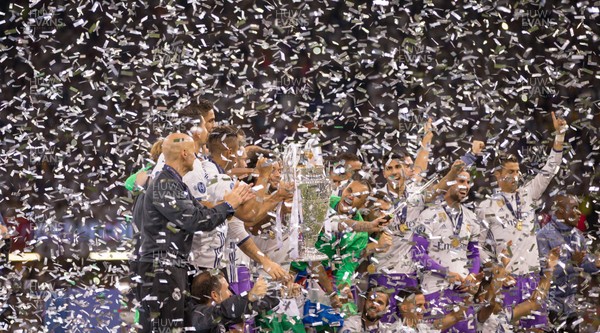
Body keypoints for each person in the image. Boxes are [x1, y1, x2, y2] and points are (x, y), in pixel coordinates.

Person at [137, 133, 253, 333]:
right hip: (161, 268)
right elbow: (195, 220)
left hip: (171, 266)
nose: (197, 158)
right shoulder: (164, 184)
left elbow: (200, 213)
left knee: (174, 326)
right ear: (184, 153)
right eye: (195, 153)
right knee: (165, 328)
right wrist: (228, 205)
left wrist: (230, 204)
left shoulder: (175, 183)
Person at [476, 112, 567, 330]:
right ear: (498, 175)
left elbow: (549, 171)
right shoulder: (485, 208)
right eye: (510, 172)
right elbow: (478, 246)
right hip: (507, 282)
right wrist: (494, 268)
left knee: (536, 329)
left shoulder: (528, 194)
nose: (516, 176)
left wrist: (560, 137)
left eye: (518, 171)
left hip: (532, 277)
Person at [412, 170, 480, 333]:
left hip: (464, 292)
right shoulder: (428, 215)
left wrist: (472, 277)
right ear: (449, 182)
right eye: (461, 181)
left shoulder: (472, 217)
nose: (465, 186)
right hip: (435, 291)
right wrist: (446, 274)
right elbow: (418, 254)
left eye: (467, 182)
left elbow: (474, 255)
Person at [537, 194, 600, 332]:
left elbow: (583, 263)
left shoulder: (578, 235)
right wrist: (573, 264)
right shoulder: (543, 235)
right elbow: (544, 273)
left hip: (570, 307)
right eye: (574, 208)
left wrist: (595, 263)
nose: (579, 213)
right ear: (560, 211)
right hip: (549, 308)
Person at [475, 246, 561, 333]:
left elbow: (536, 302)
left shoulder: (504, 315)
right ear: (480, 298)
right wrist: (502, 267)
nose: (499, 297)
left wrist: (549, 269)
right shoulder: (481, 319)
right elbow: (491, 302)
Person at [186, 271, 279, 332]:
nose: (231, 294)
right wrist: (248, 296)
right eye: (227, 289)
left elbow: (252, 306)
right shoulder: (196, 316)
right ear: (214, 295)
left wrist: (280, 292)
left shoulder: (216, 318)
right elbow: (224, 311)